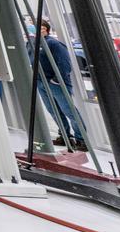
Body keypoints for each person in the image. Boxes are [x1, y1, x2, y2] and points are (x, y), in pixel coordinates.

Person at [32, 18, 85, 147]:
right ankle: (65, 136)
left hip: (56, 83)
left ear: (45, 29)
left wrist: (56, 80)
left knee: (69, 110)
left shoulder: (54, 44)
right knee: (54, 111)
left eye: (35, 27)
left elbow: (64, 64)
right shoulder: (33, 44)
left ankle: (81, 140)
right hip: (41, 82)